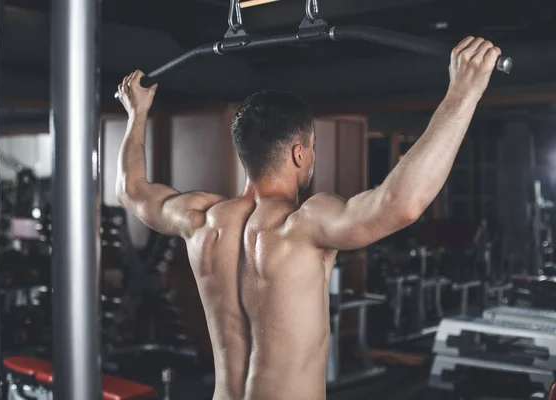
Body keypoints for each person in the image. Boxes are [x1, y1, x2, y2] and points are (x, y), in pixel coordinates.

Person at [116, 36, 502, 400]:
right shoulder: (302, 225)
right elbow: (401, 204)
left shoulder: (200, 220)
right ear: (300, 154)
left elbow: (131, 190)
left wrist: (137, 114)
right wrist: (463, 93)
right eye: (313, 147)